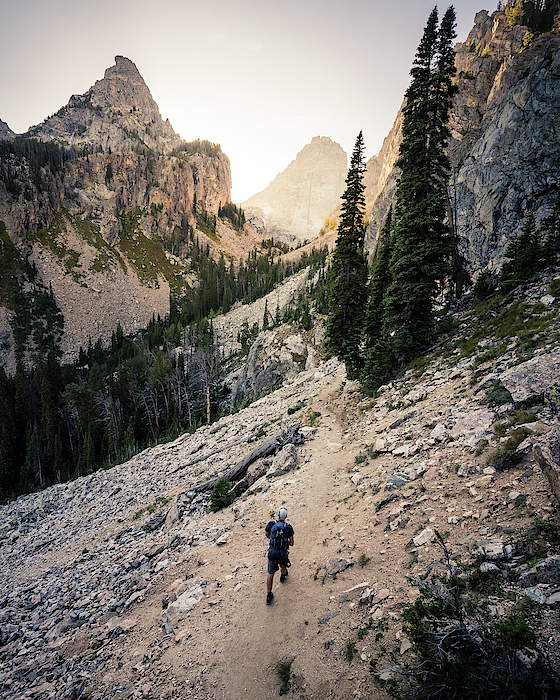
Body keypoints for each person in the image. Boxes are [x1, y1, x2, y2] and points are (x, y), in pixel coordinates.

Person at [265, 506, 294, 605]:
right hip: (282, 553)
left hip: (272, 552)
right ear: (286, 516)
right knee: (283, 565)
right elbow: (292, 543)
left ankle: (269, 595)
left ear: (278, 515)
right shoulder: (288, 528)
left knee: (270, 573)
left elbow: (267, 534)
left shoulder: (271, 524)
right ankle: (282, 576)